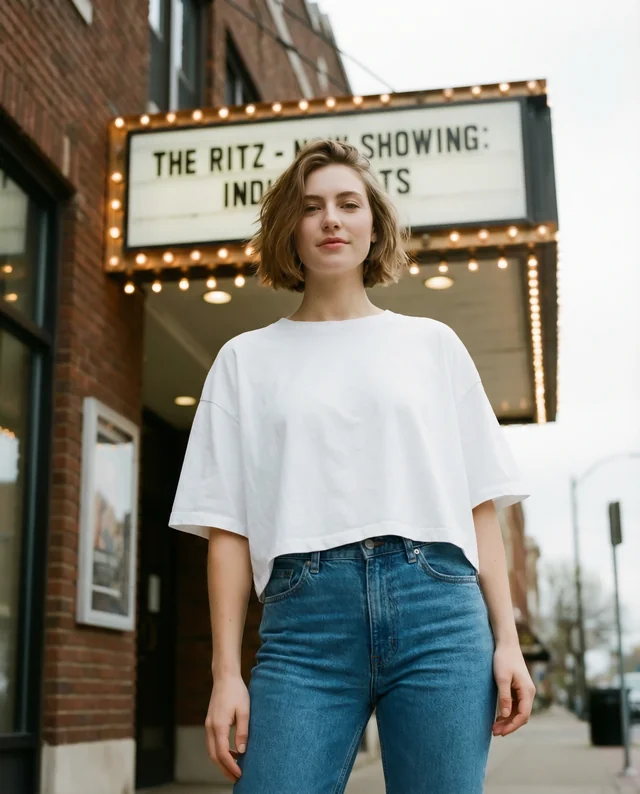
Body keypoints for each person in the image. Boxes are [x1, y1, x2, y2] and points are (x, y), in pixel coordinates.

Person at [168, 139, 536, 794]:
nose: (331, 219)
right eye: (311, 208)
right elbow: (226, 529)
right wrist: (226, 673)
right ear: (291, 230)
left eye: (348, 203)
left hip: (439, 614)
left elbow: (481, 502)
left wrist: (507, 639)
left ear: (374, 225)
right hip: (304, 627)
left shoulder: (432, 346)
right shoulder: (245, 361)